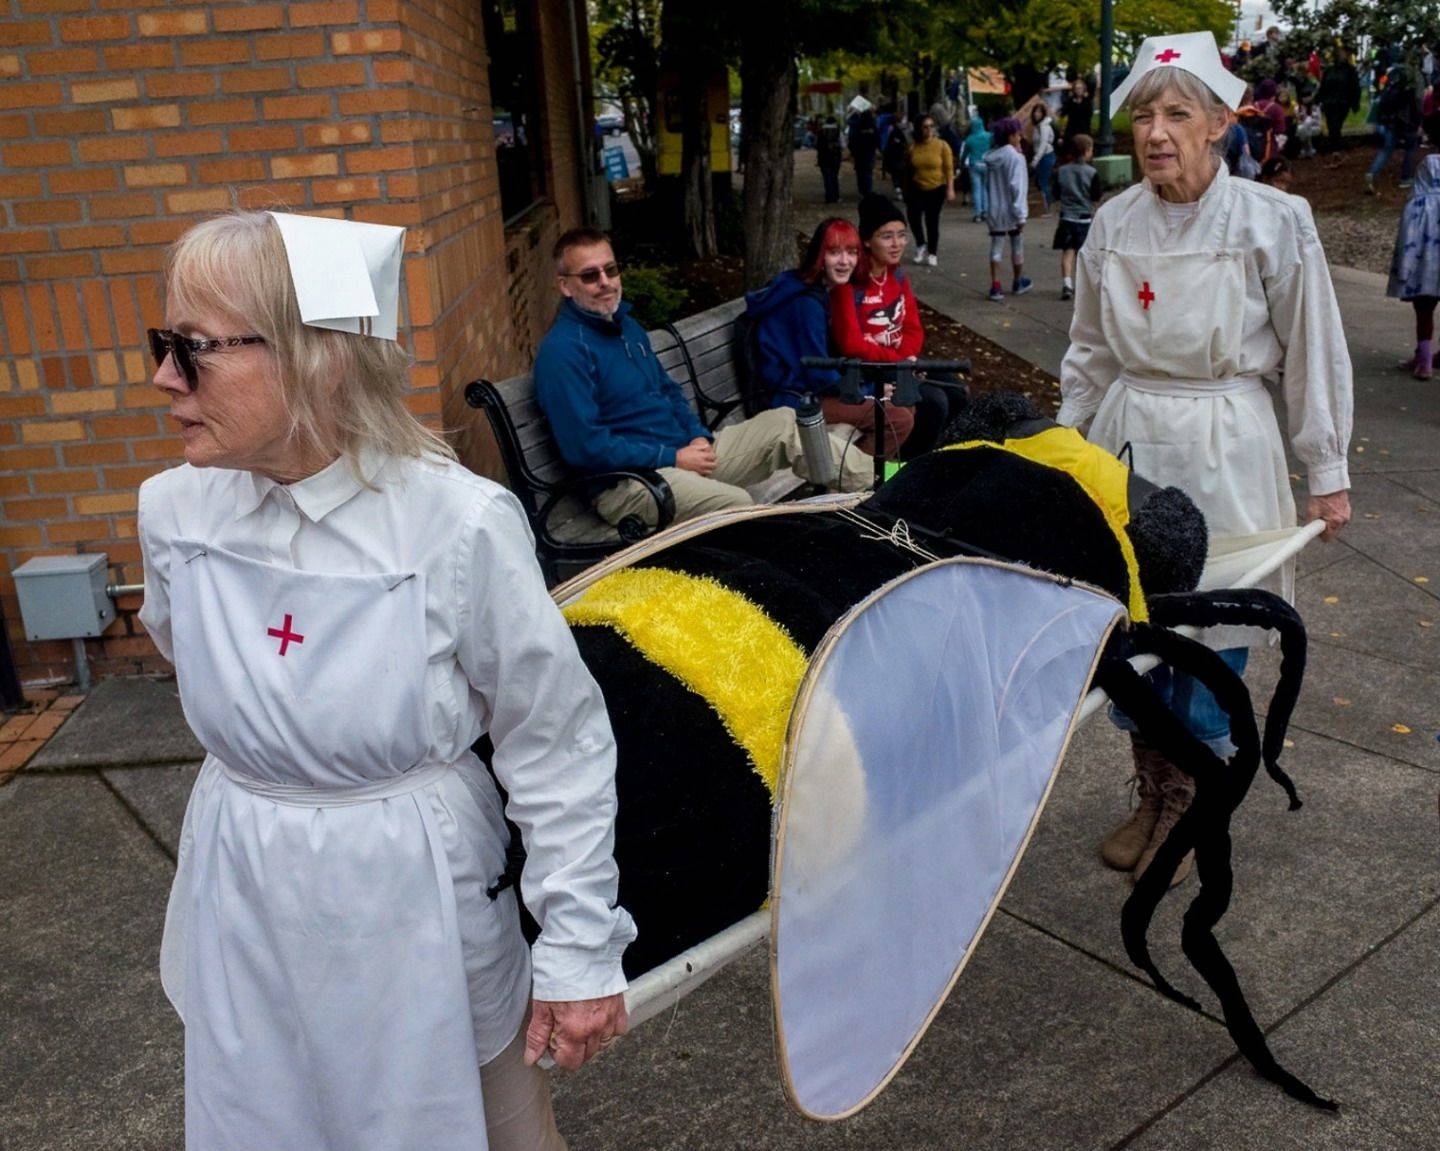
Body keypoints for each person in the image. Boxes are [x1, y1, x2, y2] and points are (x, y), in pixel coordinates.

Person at [138, 210, 635, 1151]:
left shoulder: (456, 524)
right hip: (246, 883)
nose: (164, 377)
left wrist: (578, 949)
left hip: (417, 896)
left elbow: (553, 738)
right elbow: (190, 651)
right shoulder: (172, 513)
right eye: (165, 344)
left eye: (192, 349)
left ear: (316, 355)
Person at [1059, 32, 1354, 887]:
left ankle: (1191, 796)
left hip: (1228, 441)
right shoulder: (1112, 223)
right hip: (1131, 438)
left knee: (1213, 631)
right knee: (1132, 627)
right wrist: (1065, 452)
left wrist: (1325, 472)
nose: (1156, 132)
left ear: (1220, 123)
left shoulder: (1274, 221)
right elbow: (1088, 353)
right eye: (1144, 115)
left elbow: (1315, 349)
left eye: (1178, 114)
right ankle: (1153, 782)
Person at [535, 228, 869, 528]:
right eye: (590, 276)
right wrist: (672, 457)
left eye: (611, 270)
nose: (605, 282)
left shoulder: (626, 328)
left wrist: (696, 436)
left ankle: (887, 488)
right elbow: (586, 448)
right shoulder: (563, 352)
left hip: (683, 455)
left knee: (786, 423)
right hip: (631, 485)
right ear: (565, 285)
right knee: (737, 505)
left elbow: (669, 392)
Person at [744, 217, 914, 457]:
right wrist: (871, 390)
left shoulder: (820, 291)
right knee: (897, 419)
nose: (845, 262)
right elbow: (819, 375)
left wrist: (873, 386)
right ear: (820, 257)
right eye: (835, 252)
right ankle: (851, 486)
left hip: (811, 390)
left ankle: (887, 480)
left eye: (852, 252)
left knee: (905, 402)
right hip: (791, 398)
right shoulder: (805, 304)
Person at [830, 194, 957, 458]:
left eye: (901, 234)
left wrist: (906, 358)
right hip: (871, 371)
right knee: (933, 404)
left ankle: (933, 467)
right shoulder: (850, 284)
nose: (896, 243)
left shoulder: (896, 274)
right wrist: (899, 361)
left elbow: (913, 328)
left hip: (900, 362)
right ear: (867, 240)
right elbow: (852, 344)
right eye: (886, 236)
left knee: (956, 391)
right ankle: (900, 476)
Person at [1387, 153, 1440, 380]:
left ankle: (1424, 359)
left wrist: (1404, 270)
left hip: (1424, 269)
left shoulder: (1417, 203)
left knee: (1424, 309)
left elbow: (1407, 240)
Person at [982, 116, 1032, 301]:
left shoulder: (991, 157)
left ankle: (995, 285)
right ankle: (1018, 281)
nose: (1020, 137)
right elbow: (1017, 187)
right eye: (1018, 134)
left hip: (995, 209)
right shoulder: (1015, 158)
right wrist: (1021, 215)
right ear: (1011, 136)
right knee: (1016, 244)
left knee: (996, 247)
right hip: (1011, 210)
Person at [1052, 133, 1102, 301]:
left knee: (1067, 252)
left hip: (1067, 217)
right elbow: (1096, 195)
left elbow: (1056, 193)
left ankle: (1067, 284)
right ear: (1087, 151)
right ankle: (1083, 286)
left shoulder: (1062, 171)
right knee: (1084, 254)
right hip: (1084, 218)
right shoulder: (1092, 172)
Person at [1367, 54, 1424, 193]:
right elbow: (1417, 100)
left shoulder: (1392, 73)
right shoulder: (1415, 76)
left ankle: (1372, 173)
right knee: (1410, 147)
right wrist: (1419, 122)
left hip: (1391, 118)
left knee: (1387, 148)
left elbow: (1382, 93)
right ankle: (1406, 178)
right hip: (1408, 118)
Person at [905, 113, 956, 267]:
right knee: (913, 216)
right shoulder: (914, 147)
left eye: (931, 126)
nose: (929, 130)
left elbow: (949, 169)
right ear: (919, 129)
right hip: (917, 187)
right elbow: (908, 167)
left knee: (931, 220)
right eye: (925, 127)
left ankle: (932, 252)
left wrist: (950, 189)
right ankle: (921, 245)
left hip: (936, 188)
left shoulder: (942, 146)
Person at [1316, 47, 1361, 154]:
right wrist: (1318, 99)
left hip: (1342, 103)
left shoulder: (1350, 70)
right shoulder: (1329, 70)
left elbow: (1355, 87)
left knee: (1336, 125)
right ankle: (1335, 148)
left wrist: (1355, 103)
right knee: (1331, 126)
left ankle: (1335, 150)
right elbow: (1323, 86)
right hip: (1329, 103)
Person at [961, 114, 993, 222]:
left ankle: (977, 213)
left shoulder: (969, 139)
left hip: (974, 165)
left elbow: (965, 154)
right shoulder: (989, 136)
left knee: (976, 189)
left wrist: (961, 164)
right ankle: (986, 212)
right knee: (985, 188)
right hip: (987, 164)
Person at [1029, 102, 1058, 214]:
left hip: (1045, 156)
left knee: (1043, 182)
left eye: (1039, 112)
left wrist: (1035, 160)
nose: (1037, 114)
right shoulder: (1037, 126)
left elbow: (1043, 144)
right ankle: (1046, 205)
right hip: (1041, 156)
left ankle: (1048, 207)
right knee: (1040, 181)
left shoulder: (1044, 126)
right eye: (1035, 111)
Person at [848, 108, 879, 198]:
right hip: (869, 152)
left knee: (860, 172)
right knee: (868, 171)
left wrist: (852, 151)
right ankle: (868, 190)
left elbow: (853, 139)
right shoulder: (873, 126)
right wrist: (876, 148)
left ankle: (862, 189)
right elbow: (877, 139)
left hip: (859, 152)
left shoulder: (858, 126)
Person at [816, 113, 844, 204]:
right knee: (834, 177)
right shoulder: (838, 131)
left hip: (823, 157)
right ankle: (836, 196)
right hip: (835, 157)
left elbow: (817, 145)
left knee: (826, 178)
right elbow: (843, 144)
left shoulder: (821, 131)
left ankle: (829, 197)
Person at [1060, 76, 1094, 143]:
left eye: (1080, 88)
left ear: (1084, 89)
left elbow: (1089, 115)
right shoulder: (1070, 100)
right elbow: (1063, 113)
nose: (1078, 90)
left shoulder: (1087, 101)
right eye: (1077, 88)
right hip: (1072, 129)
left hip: (1084, 129)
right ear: (1074, 90)